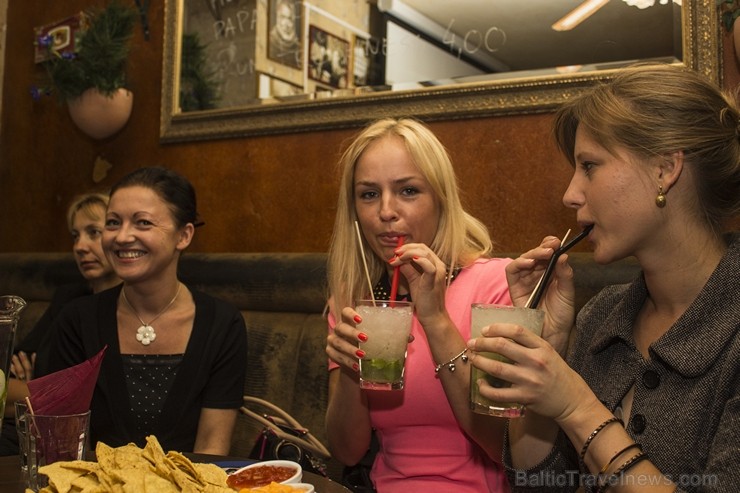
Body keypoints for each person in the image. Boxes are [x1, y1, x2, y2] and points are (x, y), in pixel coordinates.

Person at [467, 64, 740, 492]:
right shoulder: (603, 314)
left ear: (665, 169)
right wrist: (544, 351)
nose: (570, 194)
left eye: (589, 166)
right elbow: (539, 487)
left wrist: (577, 406)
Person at [325, 118, 512, 492]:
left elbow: (502, 446)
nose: (386, 211)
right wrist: (349, 370)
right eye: (369, 194)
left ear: (441, 198)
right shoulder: (353, 299)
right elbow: (346, 451)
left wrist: (436, 319)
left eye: (408, 190)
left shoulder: (497, 283)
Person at [48, 167, 247, 455]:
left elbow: (211, 451)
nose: (122, 237)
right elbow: (68, 448)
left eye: (142, 223)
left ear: (184, 235)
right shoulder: (77, 321)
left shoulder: (222, 324)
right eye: (113, 223)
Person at [0, 192, 121, 455]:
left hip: (53, 439)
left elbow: (67, 399)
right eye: (75, 236)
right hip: (21, 425)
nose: (80, 246)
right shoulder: (69, 297)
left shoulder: (125, 312)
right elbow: (12, 371)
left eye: (94, 233)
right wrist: (40, 390)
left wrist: (39, 389)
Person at [268, 0, 301, 69]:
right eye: (282, 17)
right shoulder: (270, 41)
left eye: (289, 18)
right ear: (277, 17)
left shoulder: (298, 47)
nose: (286, 24)